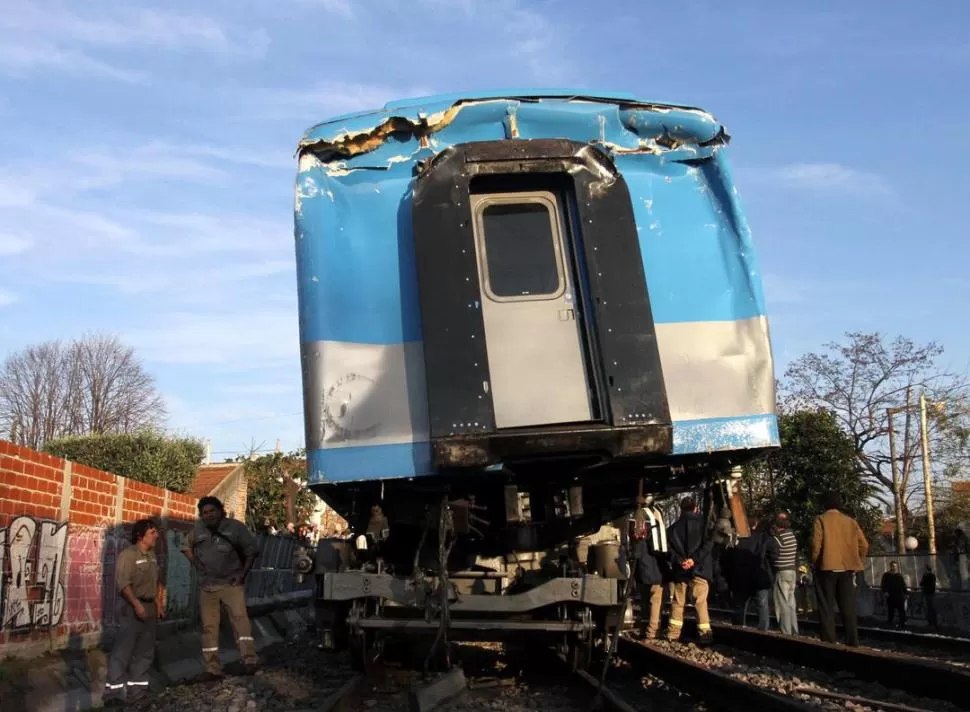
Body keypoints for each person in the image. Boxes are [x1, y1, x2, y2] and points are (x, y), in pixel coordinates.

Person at [181, 496, 261, 679]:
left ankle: (249, 660)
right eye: (205, 513)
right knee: (209, 627)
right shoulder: (198, 530)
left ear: (220, 511)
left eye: (212, 511)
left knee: (240, 622)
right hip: (208, 587)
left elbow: (251, 552)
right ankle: (212, 668)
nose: (209, 515)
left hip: (231, 585)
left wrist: (242, 575)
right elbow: (185, 546)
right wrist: (197, 564)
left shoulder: (236, 528)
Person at [104, 519, 164, 707]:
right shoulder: (128, 555)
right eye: (152, 532)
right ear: (140, 535)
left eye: (156, 532)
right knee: (123, 650)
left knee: (144, 651)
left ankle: (137, 693)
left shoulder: (152, 555)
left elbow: (153, 582)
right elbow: (123, 583)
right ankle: (113, 694)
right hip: (131, 607)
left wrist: (157, 603)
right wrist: (136, 605)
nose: (157, 536)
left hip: (149, 608)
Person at [809, 491, 869, 646]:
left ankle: (829, 642)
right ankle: (852, 641)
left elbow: (816, 545)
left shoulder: (821, 520)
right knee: (847, 607)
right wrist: (857, 561)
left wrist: (814, 562)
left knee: (826, 606)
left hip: (826, 569)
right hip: (847, 569)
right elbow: (864, 545)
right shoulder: (850, 521)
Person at [666, 496, 714, 644]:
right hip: (699, 569)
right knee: (700, 602)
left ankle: (673, 635)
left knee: (678, 603)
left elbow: (668, 550)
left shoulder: (672, 529)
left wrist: (681, 561)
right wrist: (694, 559)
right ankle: (704, 635)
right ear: (695, 507)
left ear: (681, 509)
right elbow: (708, 545)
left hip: (681, 572)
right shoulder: (704, 525)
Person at [629, 496, 669, 639]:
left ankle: (644, 627)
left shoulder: (636, 515)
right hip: (654, 565)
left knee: (645, 599)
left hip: (642, 566)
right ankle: (652, 631)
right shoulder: (651, 515)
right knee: (656, 599)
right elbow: (657, 545)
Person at [724, 518, 774, 630]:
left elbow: (727, 557)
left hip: (740, 578)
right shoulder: (762, 537)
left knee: (739, 606)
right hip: (759, 578)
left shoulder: (734, 539)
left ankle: (738, 629)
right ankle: (763, 630)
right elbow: (772, 554)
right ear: (755, 526)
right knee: (762, 606)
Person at [770, 512, 800, 635]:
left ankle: (786, 631)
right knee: (791, 603)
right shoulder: (792, 536)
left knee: (782, 603)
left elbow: (773, 555)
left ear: (777, 526)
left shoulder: (779, 539)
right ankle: (794, 629)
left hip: (782, 573)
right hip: (792, 572)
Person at [880, 561, 908, 628]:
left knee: (901, 610)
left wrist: (906, 593)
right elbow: (883, 584)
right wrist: (885, 592)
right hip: (891, 596)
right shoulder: (886, 575)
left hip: (899, 595)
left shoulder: (899, 575)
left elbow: (903, 585)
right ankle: (890, 622)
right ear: (890, 566)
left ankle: (902, 623)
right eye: (893, 566)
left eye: (895, 566)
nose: (894, 567)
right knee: (891, 610)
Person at [920, 565, 938, 629]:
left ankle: (933, 623)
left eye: (925, 570)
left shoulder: (930, 576)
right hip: (928, 594)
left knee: (931, 609)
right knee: (929, 609)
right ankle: (931, 622)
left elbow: (922, 583)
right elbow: (921, 583)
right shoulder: (927, 576)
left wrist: (924, 578)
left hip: (930, 594)